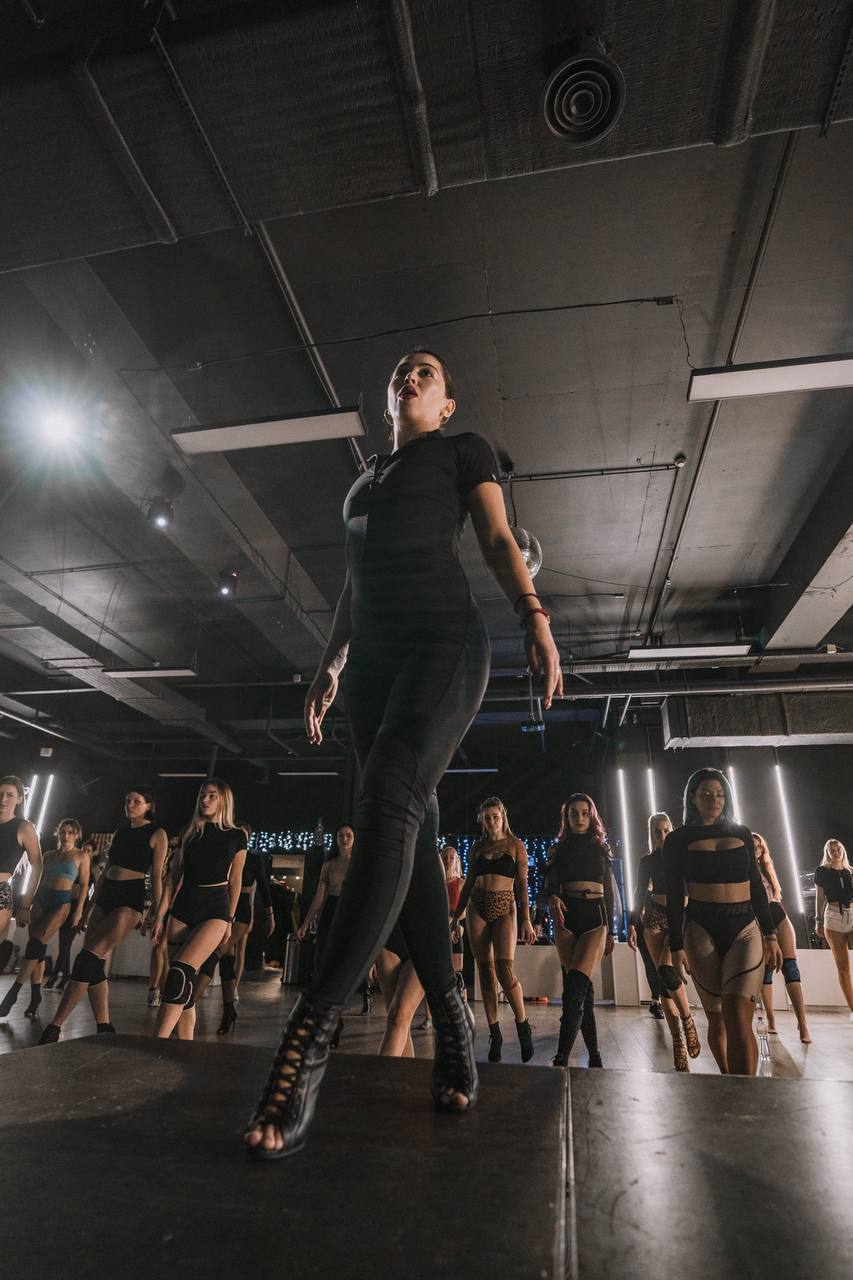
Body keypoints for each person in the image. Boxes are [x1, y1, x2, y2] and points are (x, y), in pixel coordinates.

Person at [245, 349, 561, 1160]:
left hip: (442, 644)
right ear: (387, 399)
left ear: (446, 403)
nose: (409, 377)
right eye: (400, 372)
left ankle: (307, 1037)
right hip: (372, 671)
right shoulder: (361, 483)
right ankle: (452, 1025)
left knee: (389, 798)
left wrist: (532, 614)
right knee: (408, 829)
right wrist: (329, 666)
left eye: (425, 372)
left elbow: (496, 536)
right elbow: (355, 583)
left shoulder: (461, 452)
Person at [663, 769, 782, 1075]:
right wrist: (675, 946)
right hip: (700, 930)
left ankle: (745, 1093)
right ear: (692, 797)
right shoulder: (677, 839)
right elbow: (674, 895)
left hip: (744, 928)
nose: (714, 799)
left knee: (738, 1014)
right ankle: (729, 1084)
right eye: (706, 794)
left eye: (719, 794)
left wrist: (771, 935)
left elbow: (756, 885)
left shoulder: (742, 832)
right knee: (716, 1018)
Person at [39, 787, 167, 1043]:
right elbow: (106, 870)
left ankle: (55, 1026)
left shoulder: (157, 833)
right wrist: (87, 908)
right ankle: (104, 1025)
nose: (130, 805)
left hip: (130, 900)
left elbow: (156, 875)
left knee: (85, 959)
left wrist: (157, 912)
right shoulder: (121, 832)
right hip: (106, 895)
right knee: (94, 963)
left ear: (149, 806)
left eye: (137, 801)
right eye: (128, 800)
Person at [151, 779, 247, 1041]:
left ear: (223, 800)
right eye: (203, 795)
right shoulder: (190, 832)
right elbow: (172, 878)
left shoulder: (237, 836)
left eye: (212, 796)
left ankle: (155, 1044)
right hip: (183, 907)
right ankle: (186, 1047)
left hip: (215, 908)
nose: (205, 800)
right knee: (184, 985)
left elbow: (236, 880)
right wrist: (160, 915)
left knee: (179, 975)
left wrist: (230, 920)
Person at [451, 798, 535, 1064]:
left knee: (505, 970)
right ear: (482, 820)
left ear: (503, 816)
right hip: (477, 905)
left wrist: (526, 919)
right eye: (486, 817)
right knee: (485, 973)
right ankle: (495, 1033)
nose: (491, 821)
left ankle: (523, 1026)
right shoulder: (477, 848)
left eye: (495, 816)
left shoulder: (515, 845)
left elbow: (522, 885)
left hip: (505, 906)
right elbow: (468, 884)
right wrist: (456, 918)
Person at [542, 793, 614, 1068]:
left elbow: (609, 891)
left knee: (575, 988)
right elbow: (548, 885)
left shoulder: (602, 848)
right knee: (582, 991)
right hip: (567, 917)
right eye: (574, 813)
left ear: (591, 816)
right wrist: (551, 896)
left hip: (595, 917)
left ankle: (561, 1057)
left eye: (584, 813)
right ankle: (594, 1055)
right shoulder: (557, 850)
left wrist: (610, 931)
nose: (580, 818)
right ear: (567, 817)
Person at [628, 812, 701, 1072]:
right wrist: (632, 924)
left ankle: (688, 1021)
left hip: (680, 917)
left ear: (672, 830)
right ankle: (677, 1041)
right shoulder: (647, 860)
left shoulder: (684, 856)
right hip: (654, 917)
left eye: (666, 830)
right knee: (662, 983)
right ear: (651, 834)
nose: (662, 835)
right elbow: (639, 892)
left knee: (666, 970)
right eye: (657, 831)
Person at [0, 819, 89, 1019]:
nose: (66, 835)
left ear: (77, 835)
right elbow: (36, 876)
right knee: (36, 950)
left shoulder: (81, 856)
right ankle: (35, 997)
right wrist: (27, 904)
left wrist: (79, 911)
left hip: (62, 902)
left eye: (70, 832)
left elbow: (84, 885)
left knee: (36, 944)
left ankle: (13, 993)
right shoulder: (48, 856)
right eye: (63, 831)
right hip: (41, 900)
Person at [194, 822, 275, 1035]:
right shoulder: (227, 855)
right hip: (223, 908)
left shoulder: (254, 859)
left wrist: (270, 915)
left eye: (244, 835)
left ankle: (187, 1004)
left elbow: (264, 887)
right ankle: (229, 1010)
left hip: (241, 914)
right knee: (226, 962)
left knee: (213, 957)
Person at [753, 832, 811, 1043]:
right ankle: (771, 1019)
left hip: (778, 914)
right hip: (757, 920)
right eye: (752, 846)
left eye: (759, 847)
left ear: (762, 851)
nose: (755, 850)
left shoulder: (767, 870)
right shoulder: (741, 869)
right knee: (766, 970)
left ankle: (802, 1023)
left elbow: (775, 896)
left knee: (790, 967)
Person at [0, 775, 43, 981]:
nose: (3, 799)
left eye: (9, 795)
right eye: (0, 794)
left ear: (19, 799)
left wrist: (26, 905)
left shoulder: (24, 827)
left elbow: (38, 867)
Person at [46, 838, 98, 991]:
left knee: (66, 943)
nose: (85, 852)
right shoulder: (76, 863)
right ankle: (65, 976)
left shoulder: (94, 869)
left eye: (89, 851)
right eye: (84, 849)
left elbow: (96, 892)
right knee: (64, 943)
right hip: (66, 903)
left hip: (79, 906)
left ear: (94, 853)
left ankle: (55, 977)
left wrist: (85, 914)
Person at [814, 838, 853, 1019]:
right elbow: (820, 897)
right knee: (843, 966)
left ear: (843, 850)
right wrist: (818, 920)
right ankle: (852, 1009)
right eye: (832, 850)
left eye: (838, 849)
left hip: (851, 914)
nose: (836, 852)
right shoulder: (822, 871)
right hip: (833, 917)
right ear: (827, 852)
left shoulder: (850, 871)